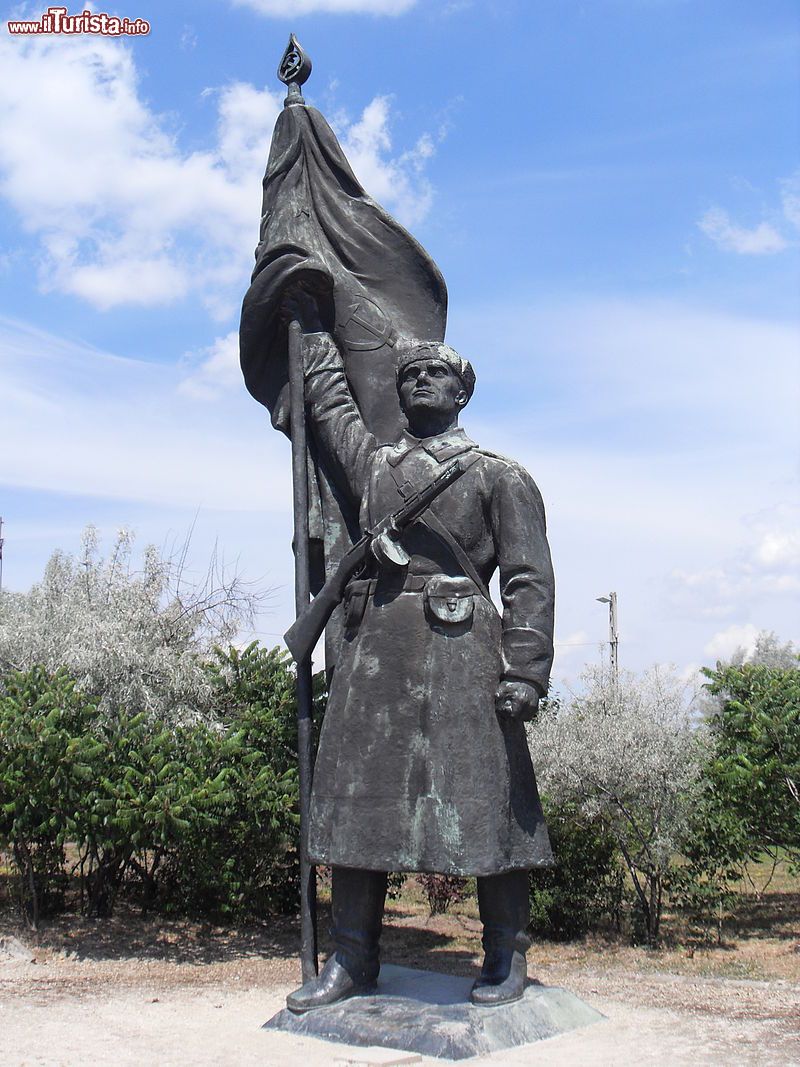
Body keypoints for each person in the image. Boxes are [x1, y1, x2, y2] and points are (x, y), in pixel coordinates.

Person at [285, 294, 555, 1012]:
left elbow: (528, 578)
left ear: (463, 392)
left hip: (465, 650)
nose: (420, 382)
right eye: (409, 376)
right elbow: (332, 407)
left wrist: (526, 671)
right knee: (356, 805)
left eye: (437, 375)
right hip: (377, 653)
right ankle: (352, 958)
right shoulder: (375, 468)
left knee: (488, 804)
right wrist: (310, 333)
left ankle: (507, 954)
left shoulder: (500, 475)